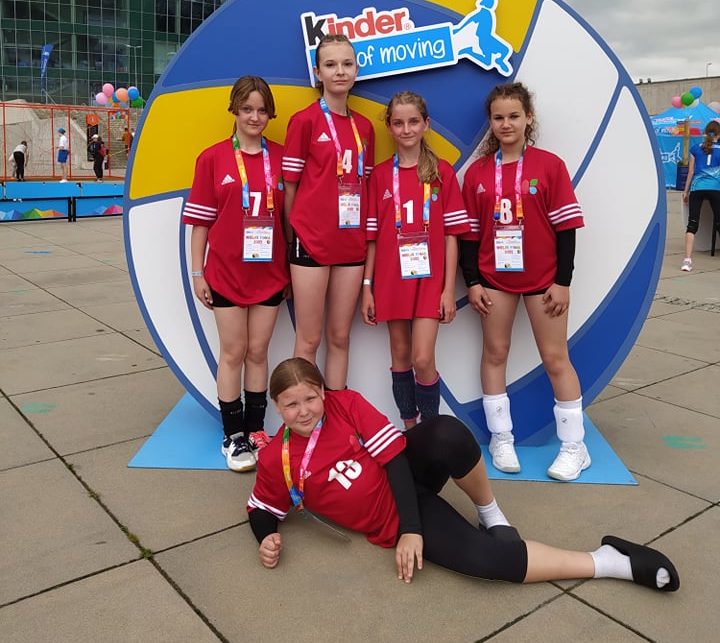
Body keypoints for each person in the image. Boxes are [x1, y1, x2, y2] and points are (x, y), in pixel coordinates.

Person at [247, 358, 679, 593]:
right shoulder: (274, 459)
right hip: (393, 515)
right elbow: (260, 508)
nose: (304, 411)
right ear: (277, 408)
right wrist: (266, 537)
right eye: (291, 404)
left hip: (406, 479)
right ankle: (609, 561)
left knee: (448, 432)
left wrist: (412, 532)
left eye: (310, 398)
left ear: (323, 393)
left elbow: (394, 458)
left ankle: (490, 512)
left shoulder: (345, 403)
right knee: (488, 563)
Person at [459, 82, 588, 481]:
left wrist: (563, 281)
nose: (506, 124)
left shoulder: (549, 166)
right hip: (493, 279)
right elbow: (469, 235)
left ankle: (575, 446)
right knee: (495, 353)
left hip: (544, 280)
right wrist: (473, 281)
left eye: (514, 116)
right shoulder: (478, 173)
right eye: (498, 117)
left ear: (528, 118)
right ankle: (502, 437)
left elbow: (566, 228)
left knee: (555, 357)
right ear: (490, 122)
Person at [182, 76, 290, 472]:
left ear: (270, 113)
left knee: (259, 351)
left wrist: (291, 272)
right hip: (226, 273)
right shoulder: (212, 159)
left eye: (262, 110)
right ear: (235, 110)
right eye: (247, 109)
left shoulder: (282, 158)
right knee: (233, 352)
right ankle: (233, 435)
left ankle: (256, 430)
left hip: (271, 274)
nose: (255, 117)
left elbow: (290, 219)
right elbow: (201, 224)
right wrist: (198, 273)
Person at [361, 91, 469, 426]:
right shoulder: (380, 176)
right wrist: (367, 287)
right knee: (400, 354)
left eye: (413, 122)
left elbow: (452, 236)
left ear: (426, 124)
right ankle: (410, 429)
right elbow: (373, 239)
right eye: (398, 123)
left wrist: (448, 290)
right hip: (391, 278)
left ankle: (431, 429)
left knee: (423, 358)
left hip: (429, 280)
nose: (406, 129)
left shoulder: (442, 173)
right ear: (389, 127)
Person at [282, 33, 375, 390]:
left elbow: (364, 185)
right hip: (310, 243)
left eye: (347, 64)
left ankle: (335, 413)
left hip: (350, 245)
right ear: (318, 72)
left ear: (356, 70)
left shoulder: (365, 128)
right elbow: (291, 187)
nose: (340, 71)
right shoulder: (304, 121)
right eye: (331, 64)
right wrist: (293, 237)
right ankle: (306, 414)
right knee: (308, 339)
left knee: (340, 337)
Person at [681, 120, 720, 271]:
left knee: (692, 223)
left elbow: (690, 172)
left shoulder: (695, 148)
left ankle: (687, 260)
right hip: (715, 189)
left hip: (697, 188)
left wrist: (686, 191)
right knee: (718, 221)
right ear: (719, 134)